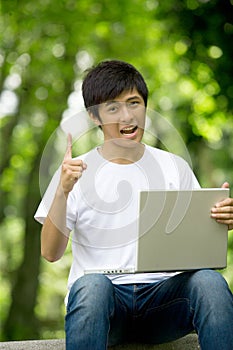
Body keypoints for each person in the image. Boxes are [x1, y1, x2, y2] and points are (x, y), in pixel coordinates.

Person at [34, 60, 233, 350]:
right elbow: (50, 253)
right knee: (91, 286)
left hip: (163, 304)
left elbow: (198, 248)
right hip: (104, 306)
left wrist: (218, 221)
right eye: (113, 108)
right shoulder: (73, 172)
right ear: (94, 116)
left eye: (134, 103)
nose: (127, 116)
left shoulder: (174, 167)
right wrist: (63, 192)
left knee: (210, 283)